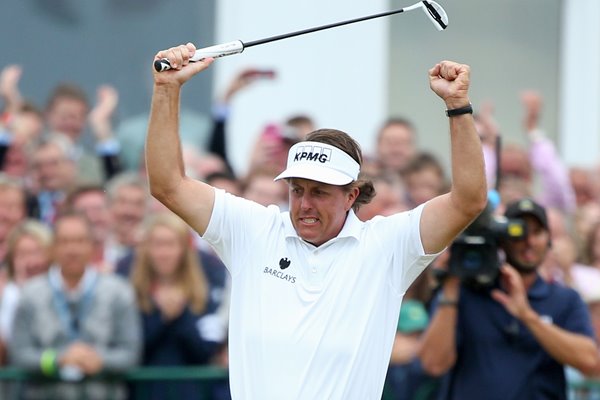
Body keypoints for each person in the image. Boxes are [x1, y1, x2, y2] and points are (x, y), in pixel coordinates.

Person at [146, 43, 487, 399]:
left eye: (320, 192)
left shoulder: (388, 245)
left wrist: (458, 106)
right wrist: (166, 90)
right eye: (297, 190)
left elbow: (468, 201)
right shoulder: (253, 229)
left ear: (352, 195)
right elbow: (168, 184)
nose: (305, 204)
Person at [418, 198, 600, 400]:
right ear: (501, 239)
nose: (528, 242)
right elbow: (433, 364)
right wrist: (451, 286)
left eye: (537, 232)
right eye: (518, 232)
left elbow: (589, 362)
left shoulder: (565, 299)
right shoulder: (467, 293)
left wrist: (527, 315)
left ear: (549, 240)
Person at [8, 211, 141, 400]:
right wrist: (57, 360)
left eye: (79, 241)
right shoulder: (30, 294)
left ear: (92, 246)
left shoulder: (119, 291)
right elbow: (20, 355)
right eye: (65, 241)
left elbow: (130, 354)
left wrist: (99, 361)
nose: (72, 249)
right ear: (53, 247)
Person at [129, 212, 226, 399]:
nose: (163, 253)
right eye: (157, 245)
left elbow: (205, 352)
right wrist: (161, 318)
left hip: (193, 391)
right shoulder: (132, 290)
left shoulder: (204, 291)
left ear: (184, 249)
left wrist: (180, 315)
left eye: (170, 245)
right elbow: (133, 349)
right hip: (145, 391)